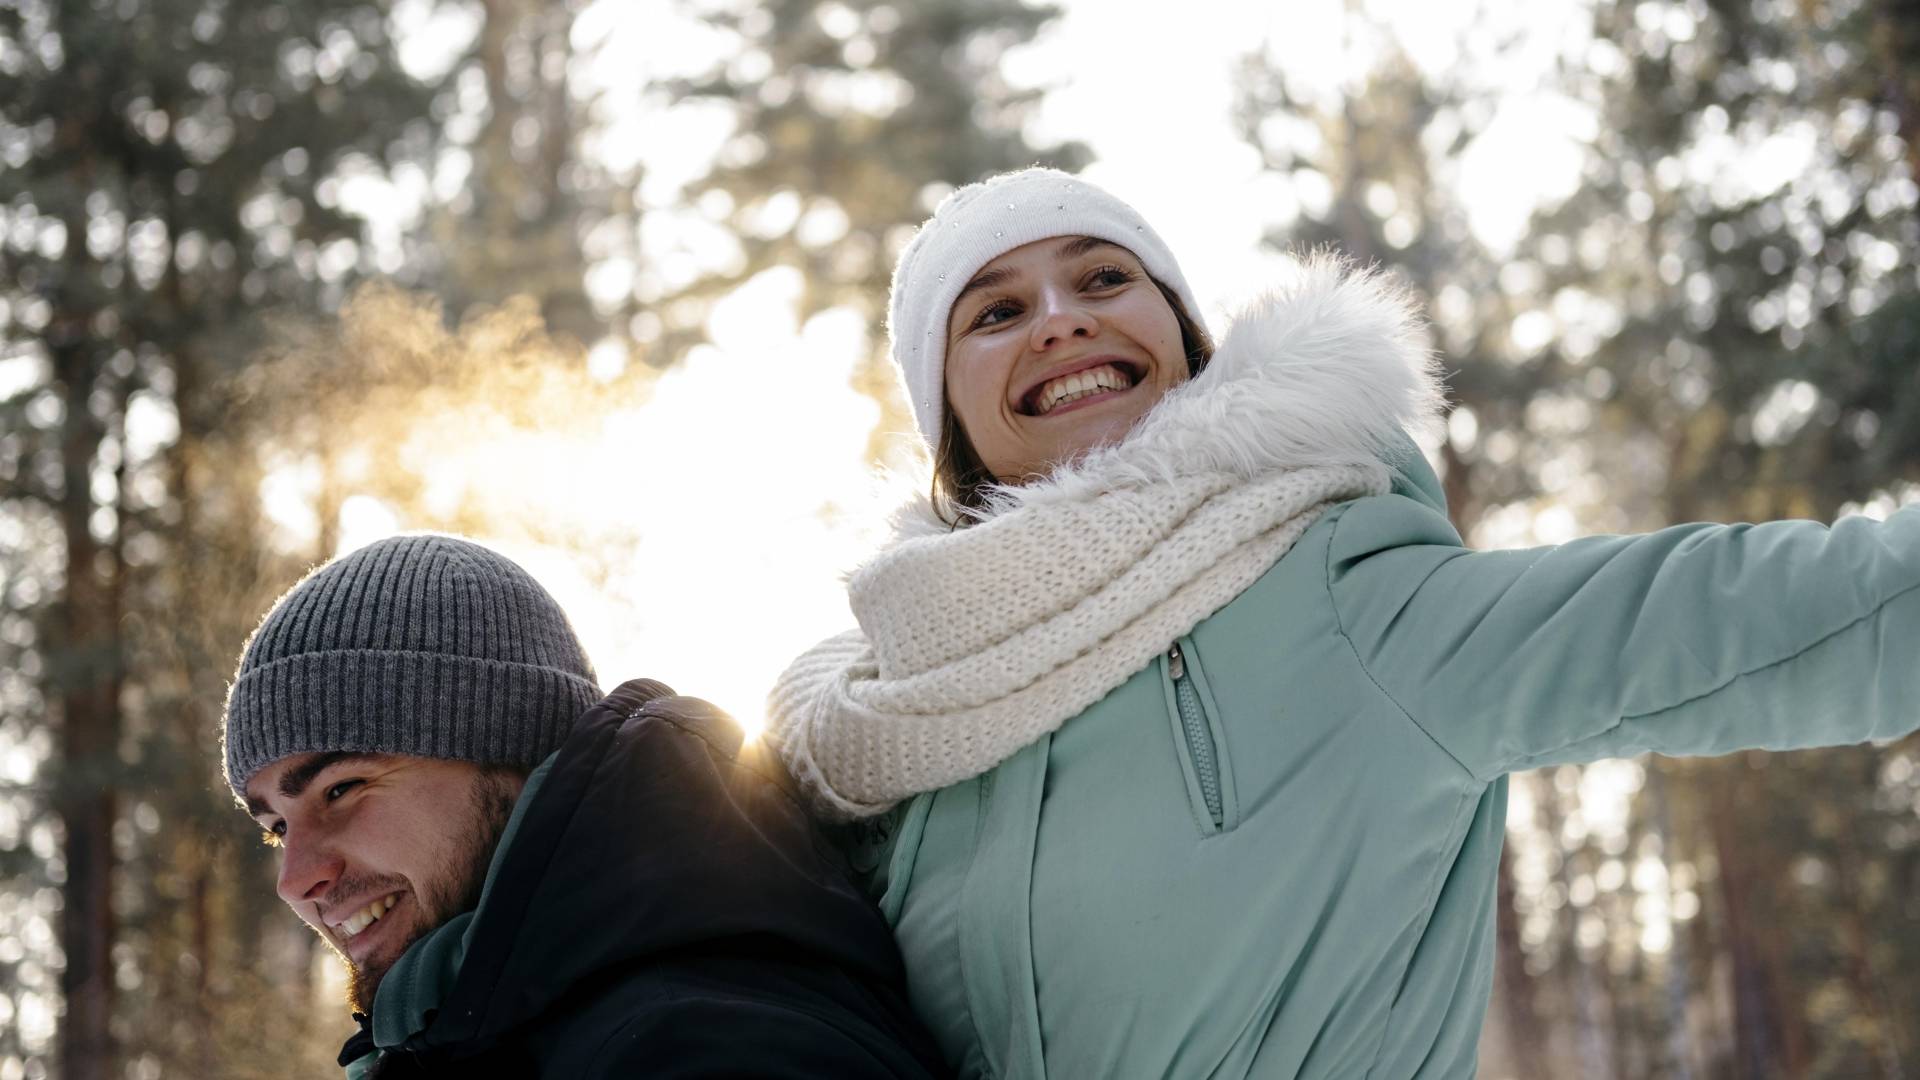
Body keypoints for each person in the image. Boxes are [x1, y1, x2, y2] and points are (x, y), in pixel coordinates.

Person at [767, 167, 1920, 1078]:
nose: (1061, 321)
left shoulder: (1342, 594)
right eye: (999, 310)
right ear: (951, 424)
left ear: (1183, 339)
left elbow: (1768, 618)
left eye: (1104, 279)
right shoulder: (884, 737)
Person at [223, 533, 945, 1078]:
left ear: (508, 748)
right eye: (277, 827)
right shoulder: (494, 1031)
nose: (296, 878)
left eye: (342, 789)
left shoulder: (705, 1043)